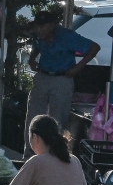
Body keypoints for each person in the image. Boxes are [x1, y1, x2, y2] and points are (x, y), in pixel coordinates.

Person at [25, 10, 98, 148]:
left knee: (58, 118)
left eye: (42, 26)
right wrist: (32, 59)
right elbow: (37, 47)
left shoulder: (67, 36)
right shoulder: (38, 36)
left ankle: (54, 153)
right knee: (33, 116)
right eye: (37, 26)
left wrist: (78, 67)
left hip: (62, 78)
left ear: (52, 25)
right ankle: (30, 152)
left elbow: (94, 48)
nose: (38, 29)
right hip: (42, 75)